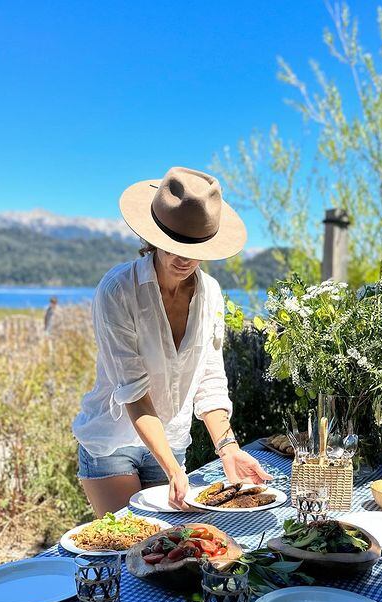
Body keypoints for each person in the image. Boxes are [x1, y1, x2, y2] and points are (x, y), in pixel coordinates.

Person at [72, 166, 271, 515]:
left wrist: (229, 448)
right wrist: (174, 469)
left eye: (195, 247)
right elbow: (133, 391)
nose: (184, 257)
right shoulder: (118, 290)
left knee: (172, 548)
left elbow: (210, 380)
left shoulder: (211, 293)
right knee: (131, 545)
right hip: (111, 442)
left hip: (173, 439)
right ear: (154, 237)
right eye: (173, 244)